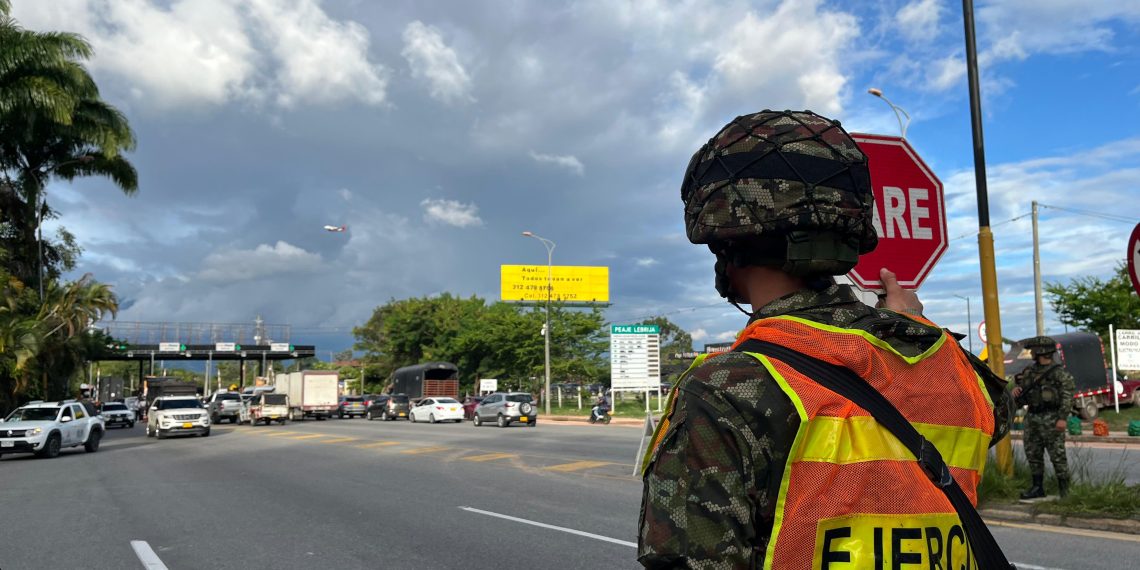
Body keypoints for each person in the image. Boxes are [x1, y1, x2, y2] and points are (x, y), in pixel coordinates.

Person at [638, 110, 1011, 568]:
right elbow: (997, 411)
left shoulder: (726, 389)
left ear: (724, 241)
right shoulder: (947, 362)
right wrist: (917, 328)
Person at [1012, 336, 1075, 499]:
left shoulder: (1060, 374)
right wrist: (1016, 394)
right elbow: (1022, 398)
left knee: (1057, 455)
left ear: (1041, 351)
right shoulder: (1030, 373)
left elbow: (1067, 397)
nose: (1031, 353)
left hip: (1052, 418)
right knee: (1033, 454)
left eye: (1033, 350)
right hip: (1032, 417)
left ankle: (1065, 491)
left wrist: (1062, 418)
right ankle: (1037, 487)